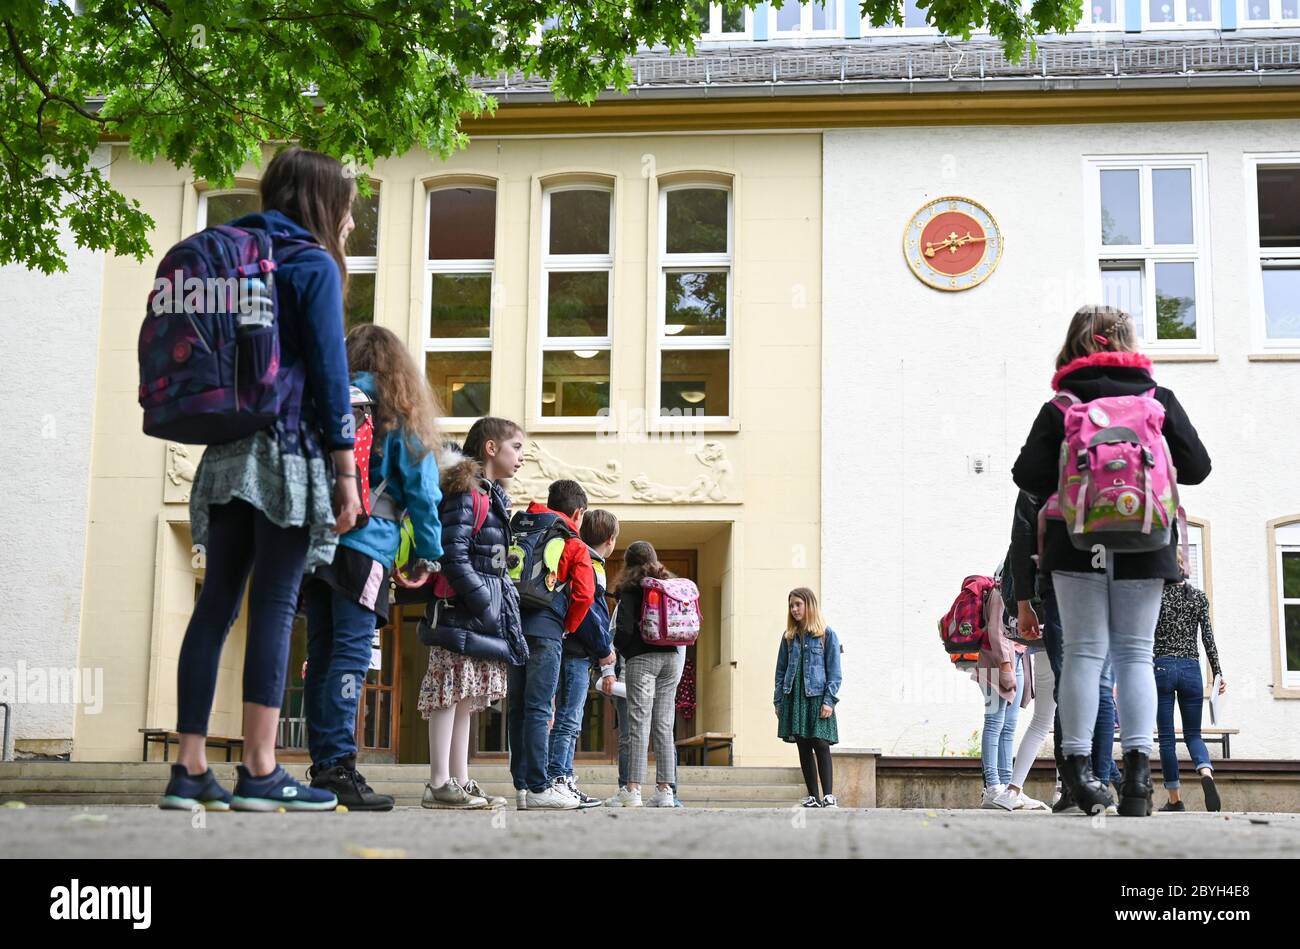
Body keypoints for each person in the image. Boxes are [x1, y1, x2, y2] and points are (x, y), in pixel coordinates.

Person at [162, 147, 360, 812]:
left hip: (224, 450)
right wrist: (345, 469)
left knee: (215, 604)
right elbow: (333, 374)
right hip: (289, 452)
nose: (352, 224)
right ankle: (260, 767)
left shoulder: (234, 253)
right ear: (323, 204)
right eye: (349, 210)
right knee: (275, 606)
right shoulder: (310, 263)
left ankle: (189, 767)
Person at [1012, 304, 1211, 817]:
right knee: (1135, 654)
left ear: (1075, 343)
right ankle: (1140, 779)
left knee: (1082, 653)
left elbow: (1027, 476)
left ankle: (1079, 773)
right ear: (1128, 342)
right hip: (1144, 538)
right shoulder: (1156, 399)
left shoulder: (1062, 404)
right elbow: (1197, 467)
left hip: (1073, 540)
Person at [301, 325, 444, 810]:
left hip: (314, 547)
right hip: (367, 547)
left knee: (320, 657)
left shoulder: (325, 398)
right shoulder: (397, 413)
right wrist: (428, 553)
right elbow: (424, 493)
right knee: (350, 656)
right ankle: (341, 768)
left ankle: (324, 766)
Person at [417, 418, 528, 809]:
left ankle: (458, 780)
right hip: (459, 608)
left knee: (466, 696)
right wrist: (483, 600)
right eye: (516, 447)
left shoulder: (490, 494)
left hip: (476, 608)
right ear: (491, 448)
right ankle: (438, 782)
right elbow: (453, 552)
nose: (522, 457)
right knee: (448, 694)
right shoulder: (467, 492)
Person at [508, 480, 596, 810]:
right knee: (539, 708)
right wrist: (566, 627)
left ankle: (521, 786)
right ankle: (538, 787)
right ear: (579, 512)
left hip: (513, 628)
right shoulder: (572, 541)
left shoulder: (523, 528)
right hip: (546, 632)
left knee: (517, 708)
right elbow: (584, 594)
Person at [547, 509, 619, 807]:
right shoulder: (592, 563)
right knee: (569, 720)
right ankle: (558, 779)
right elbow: (589, 612)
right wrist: (603, 649)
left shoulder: (580, 555)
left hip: (566, 648)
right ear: (610, 539)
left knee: (564, 718)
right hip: (577, 651)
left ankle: (561, 778)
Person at [606, 541, 685, 808]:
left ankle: (633, 789)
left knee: (639, 724)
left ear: (629, 563)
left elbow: (625, 630)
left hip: (642, 658)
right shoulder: (668, 584)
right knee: (664, 725)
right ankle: (665, 791)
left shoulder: (630, 588)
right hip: (672, 658)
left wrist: (621, 648)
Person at [1154, 552, 1224, 812]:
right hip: (1191, 669)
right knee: (1194, 734)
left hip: (1160, 667)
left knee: (1167, 738)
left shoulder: (1155, 597)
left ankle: (1175, 799)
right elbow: (1208, 638)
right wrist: (1218, 672)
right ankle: (1205, 772)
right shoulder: (1198, 597)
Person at [774, 588, 843, 808]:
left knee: (821, 744)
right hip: (794, 698)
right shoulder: (788, 637)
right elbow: (780, 671)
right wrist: (778, 701)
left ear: (809, 605)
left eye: (798, 605)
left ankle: (829, 795)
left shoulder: (826, 634)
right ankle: (813, 795)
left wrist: (829, 701)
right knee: (803, 746)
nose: (794, 609)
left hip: (817, 697)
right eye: (791, 605)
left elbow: (835, 672)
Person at [973, 580, 1029, 808]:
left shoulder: (1020, 594)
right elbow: (996, 632)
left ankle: (1007, 787)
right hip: (997, 662)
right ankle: (992, 787)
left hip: (1017, 659)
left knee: (1009, 726)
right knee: (994, 722)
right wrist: (1006, 665)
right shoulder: (1000, 591)